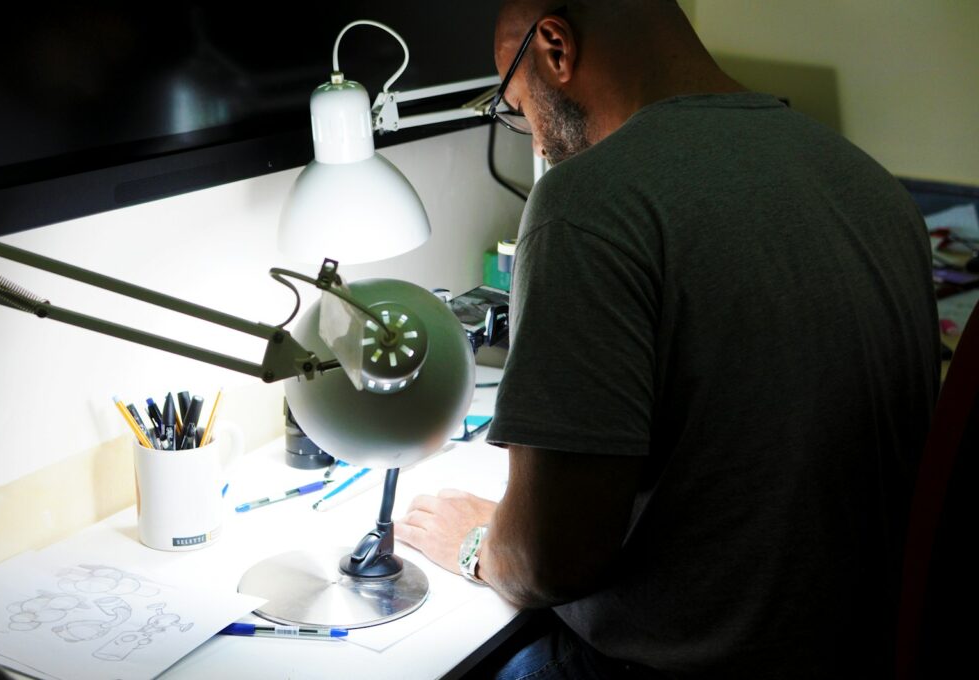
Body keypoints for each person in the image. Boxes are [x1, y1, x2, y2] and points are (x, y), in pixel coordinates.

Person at [394, 1, 940, 677]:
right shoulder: (870, 184)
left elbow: (547, 561)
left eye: (516, 105)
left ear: (556, 49)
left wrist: (477, 541)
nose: (534, 141)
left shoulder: (588, 203)